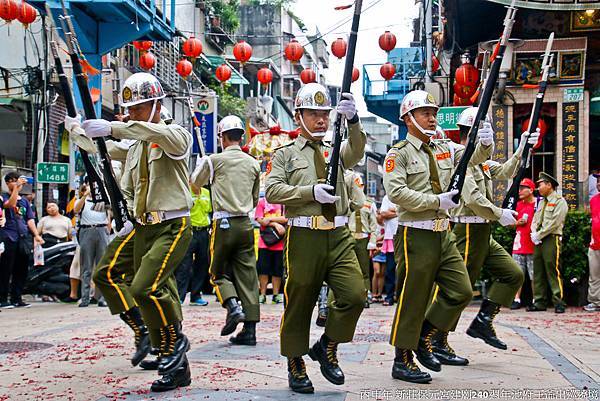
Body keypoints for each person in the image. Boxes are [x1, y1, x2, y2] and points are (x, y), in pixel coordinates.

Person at [79, 72, 194, 391]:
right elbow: (101, 147)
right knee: (130, 282)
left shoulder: (176, 136)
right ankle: (173, 362)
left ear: (157, 104)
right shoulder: (136, 146)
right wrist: (78, 129)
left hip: (172, 224)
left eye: (140, 108)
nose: (133, 114)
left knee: (145, 287)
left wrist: (114, 126)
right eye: (130, 109)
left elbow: (140, 131)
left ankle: (174, 343)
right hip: (143, 226)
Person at [383, 90, 494, 384]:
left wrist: (485, 141)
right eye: (424, 113)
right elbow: (397, 194)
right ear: (408, 119)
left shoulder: (444, 147)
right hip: (415, 234)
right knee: (412, 299)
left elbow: (473, 158)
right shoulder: (399, 154)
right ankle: (402, 358)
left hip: (442, 234)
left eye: (433, 113)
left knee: (461, 290)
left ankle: (424, 336)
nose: (432, 118)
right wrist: (436, 202)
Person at [265, 83, 366, 394]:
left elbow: (357, 151)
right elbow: (272, 191)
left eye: (325, 114)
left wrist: (353, 122)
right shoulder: (285, 154)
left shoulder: (335, 149)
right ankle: (295, 361)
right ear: (299, 116)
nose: (321, 120)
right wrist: (309, 192)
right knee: (300, 302)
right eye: (313, 114)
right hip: (304, 234)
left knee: (354, 295)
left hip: (337, 233)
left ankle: (328, 346)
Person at [436, 107, 539, 364]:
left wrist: (523, 147)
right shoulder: (461, 160)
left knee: (512, 274)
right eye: (482, 132)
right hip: (467, 230)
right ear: (469, 134)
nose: (487, 136)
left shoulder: (479, 161)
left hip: (482, 231)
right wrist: (499, 213)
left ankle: (483, 321)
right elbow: (473, 199)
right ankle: (437, 340)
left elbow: (505, 171)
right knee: (459, 289)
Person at [192, 115, 261, 346]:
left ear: (222, 137)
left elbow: (195, 183)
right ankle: (249, 330)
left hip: (223, 224)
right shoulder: (252, 163)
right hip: (245, 224)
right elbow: (253, 198)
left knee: (218, 272)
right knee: (248, 275)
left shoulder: (215, 160)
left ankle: (232, 306)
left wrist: (205, 166)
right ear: (241, 137)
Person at [0, 172, 44, 308]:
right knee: (6, 269)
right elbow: (9, 204)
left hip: (23, 237)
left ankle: (16, 298)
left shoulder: (25, 201)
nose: (16, 183)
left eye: (17, 180)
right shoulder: (3, 197)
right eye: (12, 181)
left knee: (21, 269)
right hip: (8, 236)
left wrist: (36, 234)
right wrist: (16, 190)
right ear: (7, 183)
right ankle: (2, 299)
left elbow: (29, 219)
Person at [528, 172, 569, 314]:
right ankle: (539, 301)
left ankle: (559, 301)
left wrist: (539, 234)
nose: (538, 188)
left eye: (540, 185)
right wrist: (533, 232)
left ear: (549, 185)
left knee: (553, 269)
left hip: (551, 238)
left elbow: (555, 222)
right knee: (538, 270)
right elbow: (535, 218)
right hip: (539, 239)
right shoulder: (542, 201)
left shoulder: (559, 201)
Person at [74, 183, 110, 308]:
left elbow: (109, 215)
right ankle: (85, 298)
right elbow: (76, 210)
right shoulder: (82, 201)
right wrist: (85, 195)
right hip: (87, 231)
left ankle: (102, 298)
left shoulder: (103, 201)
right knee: (86, 267)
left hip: (101, 230)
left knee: (102, 267)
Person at [175, 182, 212, 306]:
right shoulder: (185, 192)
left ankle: (196, 296)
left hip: (203, 232)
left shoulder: (206, 193)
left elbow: (209, 210)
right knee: (184, 265)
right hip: (189, 231)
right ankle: (180, 296)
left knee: (202, 264)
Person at [346, 171, 377, 306]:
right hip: (349, 237)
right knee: (350, 269)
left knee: (364, 270)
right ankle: (351, 294)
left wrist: (372, 242)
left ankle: (365, 295)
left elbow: (374, 225)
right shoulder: (347, 201)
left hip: (363, 239)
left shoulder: (369, 203)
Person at [254, 196, 287, 304]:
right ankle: (262, 294)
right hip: (264, 242)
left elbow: (286, 218)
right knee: (263, 269)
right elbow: (260, 220)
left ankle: (275, 294)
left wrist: (270, 219)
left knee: (277, 270)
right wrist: (276, 224)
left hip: (280, 243)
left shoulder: (283, 202)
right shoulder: (262, 202)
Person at [511, 178, 537, 309]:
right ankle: (516, 299)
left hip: (533, 244)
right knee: (518, 273)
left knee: (534, 275)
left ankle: (535, 300)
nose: (520, 191)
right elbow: (509, 222)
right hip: (519, 244)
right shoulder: (518, 205)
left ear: (531, 190)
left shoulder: (538, 205)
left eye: (523, 188)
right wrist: (517, 223)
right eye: (519, 188)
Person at [378, 195, 398, 306]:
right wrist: (399, 212)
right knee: (390, 269)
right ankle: (389, 297)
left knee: (404, 269)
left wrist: (393, 211)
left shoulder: (406, 194)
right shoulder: (387, 198)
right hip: (390, 237)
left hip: (405, 236)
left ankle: (400, 296)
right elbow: (383, 214)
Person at [585, 173, 600, 312]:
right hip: (595, 244)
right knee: (594, 275)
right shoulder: (594, 200)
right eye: (598, 181)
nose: (599, 183)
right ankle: (595, 302)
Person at [371, 225, 386, 303]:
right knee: (377, 272)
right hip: (376, 251)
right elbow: (374, 240)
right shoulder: (375, 226)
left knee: (382, 274)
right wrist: (384, 236)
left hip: (384, 251)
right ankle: (374, 294)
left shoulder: (387, 225)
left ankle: (379, 294)